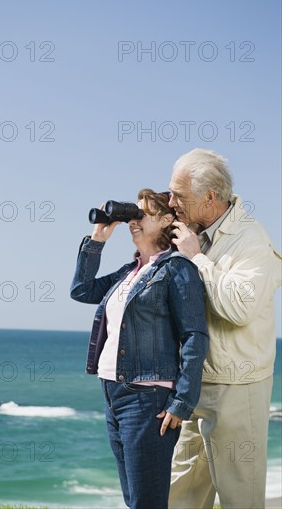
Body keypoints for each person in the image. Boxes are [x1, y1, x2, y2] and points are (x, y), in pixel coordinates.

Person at [70, 189, 209, 509]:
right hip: (112, 393)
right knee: (134, 498)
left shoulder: (177, 268)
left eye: (142, 214)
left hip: (147, 398)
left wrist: (182, 401)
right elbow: (81, 289)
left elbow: (195, 335)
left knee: (146, 500)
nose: (133, 220)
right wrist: (98, 239)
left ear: (165, 220)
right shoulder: (129, 272)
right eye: (132, 214)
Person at [168, 148, 282, 509]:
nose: (172, 203)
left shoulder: (252, 240)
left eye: (179, 196)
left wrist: (196, 258)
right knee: (180, 495)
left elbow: (239, 308)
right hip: (194, 384)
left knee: (239, 498)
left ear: (210, 198)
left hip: (238, 387)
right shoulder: (194, 232)